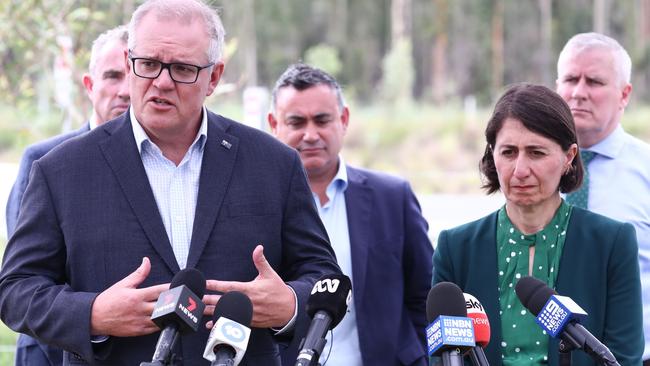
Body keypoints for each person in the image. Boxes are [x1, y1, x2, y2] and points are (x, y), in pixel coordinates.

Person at [0, 1, 340, 365]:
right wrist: (94, 313)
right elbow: (16, 290)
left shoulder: (274, 164)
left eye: (181, 69)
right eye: (148, 65)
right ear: (130, 64)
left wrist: (289, 303)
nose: (161, 81)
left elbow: (323, 277)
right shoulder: (61, 170)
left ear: (214, 77)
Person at [432, 84, 643, 365]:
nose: (520, 170)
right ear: (492, 155)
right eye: (508, 152)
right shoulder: (456, 248)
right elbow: (441, 358)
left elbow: (623, 357)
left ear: (568, 157)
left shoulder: (612, 243)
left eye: (536, 153)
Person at [268, 63, 432, 366]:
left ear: (343, 120)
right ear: (274, 124)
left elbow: (424, 297)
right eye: (296, 122)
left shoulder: (392, 198)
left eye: (322, 120)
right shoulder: (257, 204)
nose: (311, 134)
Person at [5, 24, 129, 366]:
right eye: (113, 76)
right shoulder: (44, 161)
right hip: (50, 351)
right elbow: (27, 276)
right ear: (89, 86)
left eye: (133, 75)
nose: (125, 90)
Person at [556, 32, 650, 365]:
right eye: (570, 79)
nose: (579, 93)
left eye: (594, 81)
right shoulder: (530, 171)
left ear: (624, 94)